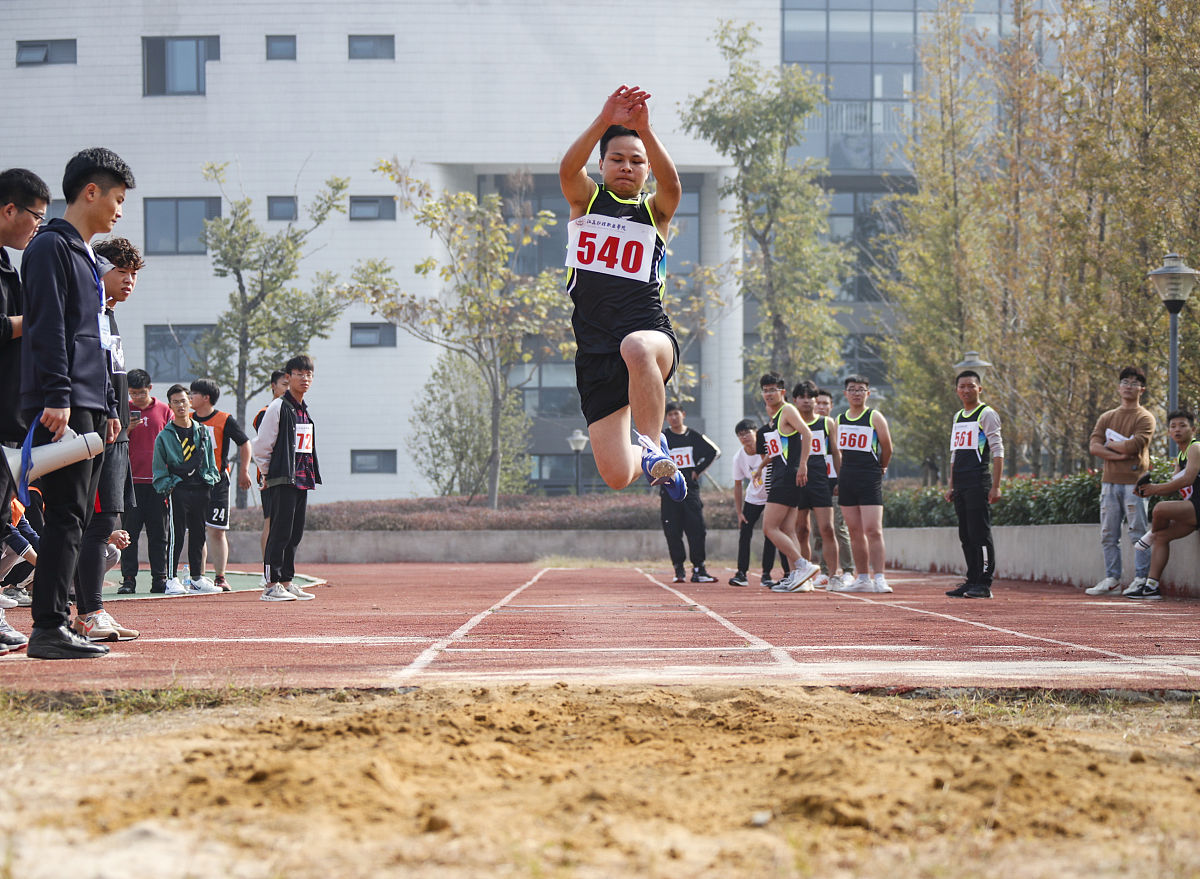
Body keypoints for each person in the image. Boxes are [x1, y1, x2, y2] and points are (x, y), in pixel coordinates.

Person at [20, 147, 135, 659]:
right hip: (63, 403)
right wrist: (59, 397)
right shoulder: (49, 247)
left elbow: (93, 340)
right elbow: (47, 327)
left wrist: (108, 408)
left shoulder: (85, 254)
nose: (118, 210)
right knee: (65, 516)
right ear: (91, 191)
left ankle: (59, 622)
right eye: (117, 198)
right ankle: (48, 627)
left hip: (89, 404)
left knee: (76, 518)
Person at [559, 85, 686, 503]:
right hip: (595, 352)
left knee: (636, 346)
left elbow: (674, 186)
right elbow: (566, 170)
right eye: (617, 159)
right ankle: (651, 464)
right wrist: (604, 118)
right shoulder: (587, 200)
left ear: (647, 169)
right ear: (601, 164)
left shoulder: (654, 211)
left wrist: (645, 130)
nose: (627, 167)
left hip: (649, 336)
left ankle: (653, 448)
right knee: (615, 475)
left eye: (637, 161)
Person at [68, 237, 144, 642]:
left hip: (114, 435)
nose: (129, 280)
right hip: (97, 430)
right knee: (94, 526)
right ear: (99, 270)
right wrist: (112, 414)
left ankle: (90, 610)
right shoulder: (88, 313)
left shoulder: (109, 316)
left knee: (102, 523)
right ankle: (88, 611)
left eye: (134, 274)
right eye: (121, 271)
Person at [252, 355, 320, 602]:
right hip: (281, 478)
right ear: (288, 377)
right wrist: (267, 473)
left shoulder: (303, 410)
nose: (305, 378)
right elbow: (261, 445)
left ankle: (287, 581)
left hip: (302, 479)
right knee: (279, 532)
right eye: (300, 373)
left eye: (309, 374)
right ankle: (271, 584)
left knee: (294, 533)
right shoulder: (278, 407)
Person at [1084, 366, 1155, 597]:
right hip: (1109, 482)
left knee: (1138, 532)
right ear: (1118, 386)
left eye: (1135, 383)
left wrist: (1110, 445)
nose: (1129, 386)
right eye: (1125, 381)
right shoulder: (1107, 417)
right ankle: (1112, 579)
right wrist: (1119, 454)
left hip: (1135, 483)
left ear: (1141, 389)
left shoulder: (1145, 417)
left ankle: (1141, 579)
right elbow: (1094, 446)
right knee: (1108, 533)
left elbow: (1134, 446)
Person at [152, 384, 222, 595]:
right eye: (176, 402)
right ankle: (172, 578)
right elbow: (158, 467)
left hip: (201, 487)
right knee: (176, 535)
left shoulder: (202, 431)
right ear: (170, 405)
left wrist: (210, 480)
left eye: (184, 400)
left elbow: (210, 459)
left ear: (190, 402)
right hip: (179, 489)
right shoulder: (165, 436)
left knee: (199, 533)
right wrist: (169, 486)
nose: (181, 405)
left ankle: (197, 577)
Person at [943, 370, 1004, 599]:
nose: (966, 390)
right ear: (957, 390)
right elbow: (954, 453)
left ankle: (984, 583)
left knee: (980, 533)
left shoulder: (986, 414)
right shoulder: (958, 416)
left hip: (978, 481)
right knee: (966, 535)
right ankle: (972, 580)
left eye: (971, 386)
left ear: (980, 388)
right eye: (962, 386)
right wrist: (951, 485)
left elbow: (998, 451)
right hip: (960, 484)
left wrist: (996, 485)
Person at [757, 373, 820, 593]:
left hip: (787, 477)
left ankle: (803, 566)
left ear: (782, 392)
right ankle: (798, 578)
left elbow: (808, 434)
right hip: (782, 476)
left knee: (769, 527)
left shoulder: (788, 410)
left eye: (773, 389)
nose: (768, 394)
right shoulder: (774, 418)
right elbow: (777, 451)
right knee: (787, 529)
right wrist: (760, 467)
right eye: (765, 390)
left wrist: (803, 464)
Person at [831, 375, 894, 593]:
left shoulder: (874, 417)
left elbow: (887, 447)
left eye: (861, 389)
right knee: (854, 531)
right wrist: (839, 479)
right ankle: (862, 577)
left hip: (869, 477)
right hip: (848, 478)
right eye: (852, 389)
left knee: (873, 529)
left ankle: (879, 577)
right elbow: (837, 453)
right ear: (845, 394)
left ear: (868, 393)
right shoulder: (840, 419)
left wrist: (881, 467)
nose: (856, 393)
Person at [190, 378, 252, 591]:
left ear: (206, 397)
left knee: (216, 530)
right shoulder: (186, 419)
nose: (189, 398)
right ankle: (198, 577)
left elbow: (244, 443)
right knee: (196, 530)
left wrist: (244, 471)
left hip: (217, 482)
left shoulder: (224, 419)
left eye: (193, 394)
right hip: (192, 483)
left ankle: (220, 576)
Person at [1131, 410, 1199, 601]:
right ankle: (1151, 587)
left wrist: (1154, 489)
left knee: (1160, 509)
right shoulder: (1180, 455)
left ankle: (1150, 534)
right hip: (1192, 508)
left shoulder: (1195, 447)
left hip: (1197, 506)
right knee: (1162, 538)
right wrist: (1146, 489)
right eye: (1173, 426)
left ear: (1193, 429)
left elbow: (1187, 479)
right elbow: (1172, 488)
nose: (1177, 429)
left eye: (1182, 425)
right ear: (1169, 431)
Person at [120, 368, 172, 593]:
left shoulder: (164, 410)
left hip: (158, 483)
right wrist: (127, 429)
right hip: (130, 483)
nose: (137, 398)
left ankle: (159, 578)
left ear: (150, 389)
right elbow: (112, 439)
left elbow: (173, 442)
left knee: (158, 534)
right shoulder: (123, 409)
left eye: (141, 392)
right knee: (128, 534)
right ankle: (128, 580)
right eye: (133, 393)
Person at [659, 402, 720, 583]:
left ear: (683, 414)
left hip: (690, 492)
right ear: (666, 418)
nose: (673, 417)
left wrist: (697, 470)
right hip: (669, 492)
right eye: (669, 415)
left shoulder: (693, 436)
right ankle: (678, 568)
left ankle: (699, 568)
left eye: (676, 414)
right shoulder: (662, 437)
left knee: (697, 529)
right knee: (672, 530)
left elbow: (714, 452)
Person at [791, 381, 841, 589]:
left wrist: (840, 479)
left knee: (827, 528)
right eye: (802, 397)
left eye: (810, 397)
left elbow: (836, 453)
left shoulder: (827, 423)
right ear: (794, 400)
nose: (806, 400)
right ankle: (805, 578)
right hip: (796, 481)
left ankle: (834, 576)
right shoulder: (790, 423)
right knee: (801, 530)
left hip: (820, 480)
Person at [729, 419, 787, 588]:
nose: (744, 437)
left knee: (771, 533)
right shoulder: (739, 457)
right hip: (753, 498)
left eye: (747, 432)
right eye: (740, 434)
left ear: (756, 432)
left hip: (772, 496)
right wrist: (739, 512)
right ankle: (741, 573)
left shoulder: (768, 449)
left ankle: (767, 574)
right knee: (745, 532)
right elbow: (738, 485)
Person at [812, 388, 854, 580]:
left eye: (825, 404)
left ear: (831, 406)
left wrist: (841, 480)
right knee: (819, 531)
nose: (821, 407)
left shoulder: (836, 426)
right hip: (816, 484)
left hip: (835, 484)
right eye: (818, 403)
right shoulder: (808, 427)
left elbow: (843, 455)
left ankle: (847, 570)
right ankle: (825, 571)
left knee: (838, 527)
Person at [254, 369, 288, 562]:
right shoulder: (265, 413)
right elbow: (265, 444)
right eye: (284, 384)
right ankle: (268, 570)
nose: (288, 389)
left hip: (290, 475)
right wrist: (266, 473)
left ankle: (282, 571)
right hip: (271, 475)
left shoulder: (295, 411)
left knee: (285, 523)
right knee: (271, 521)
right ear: (273, 386)